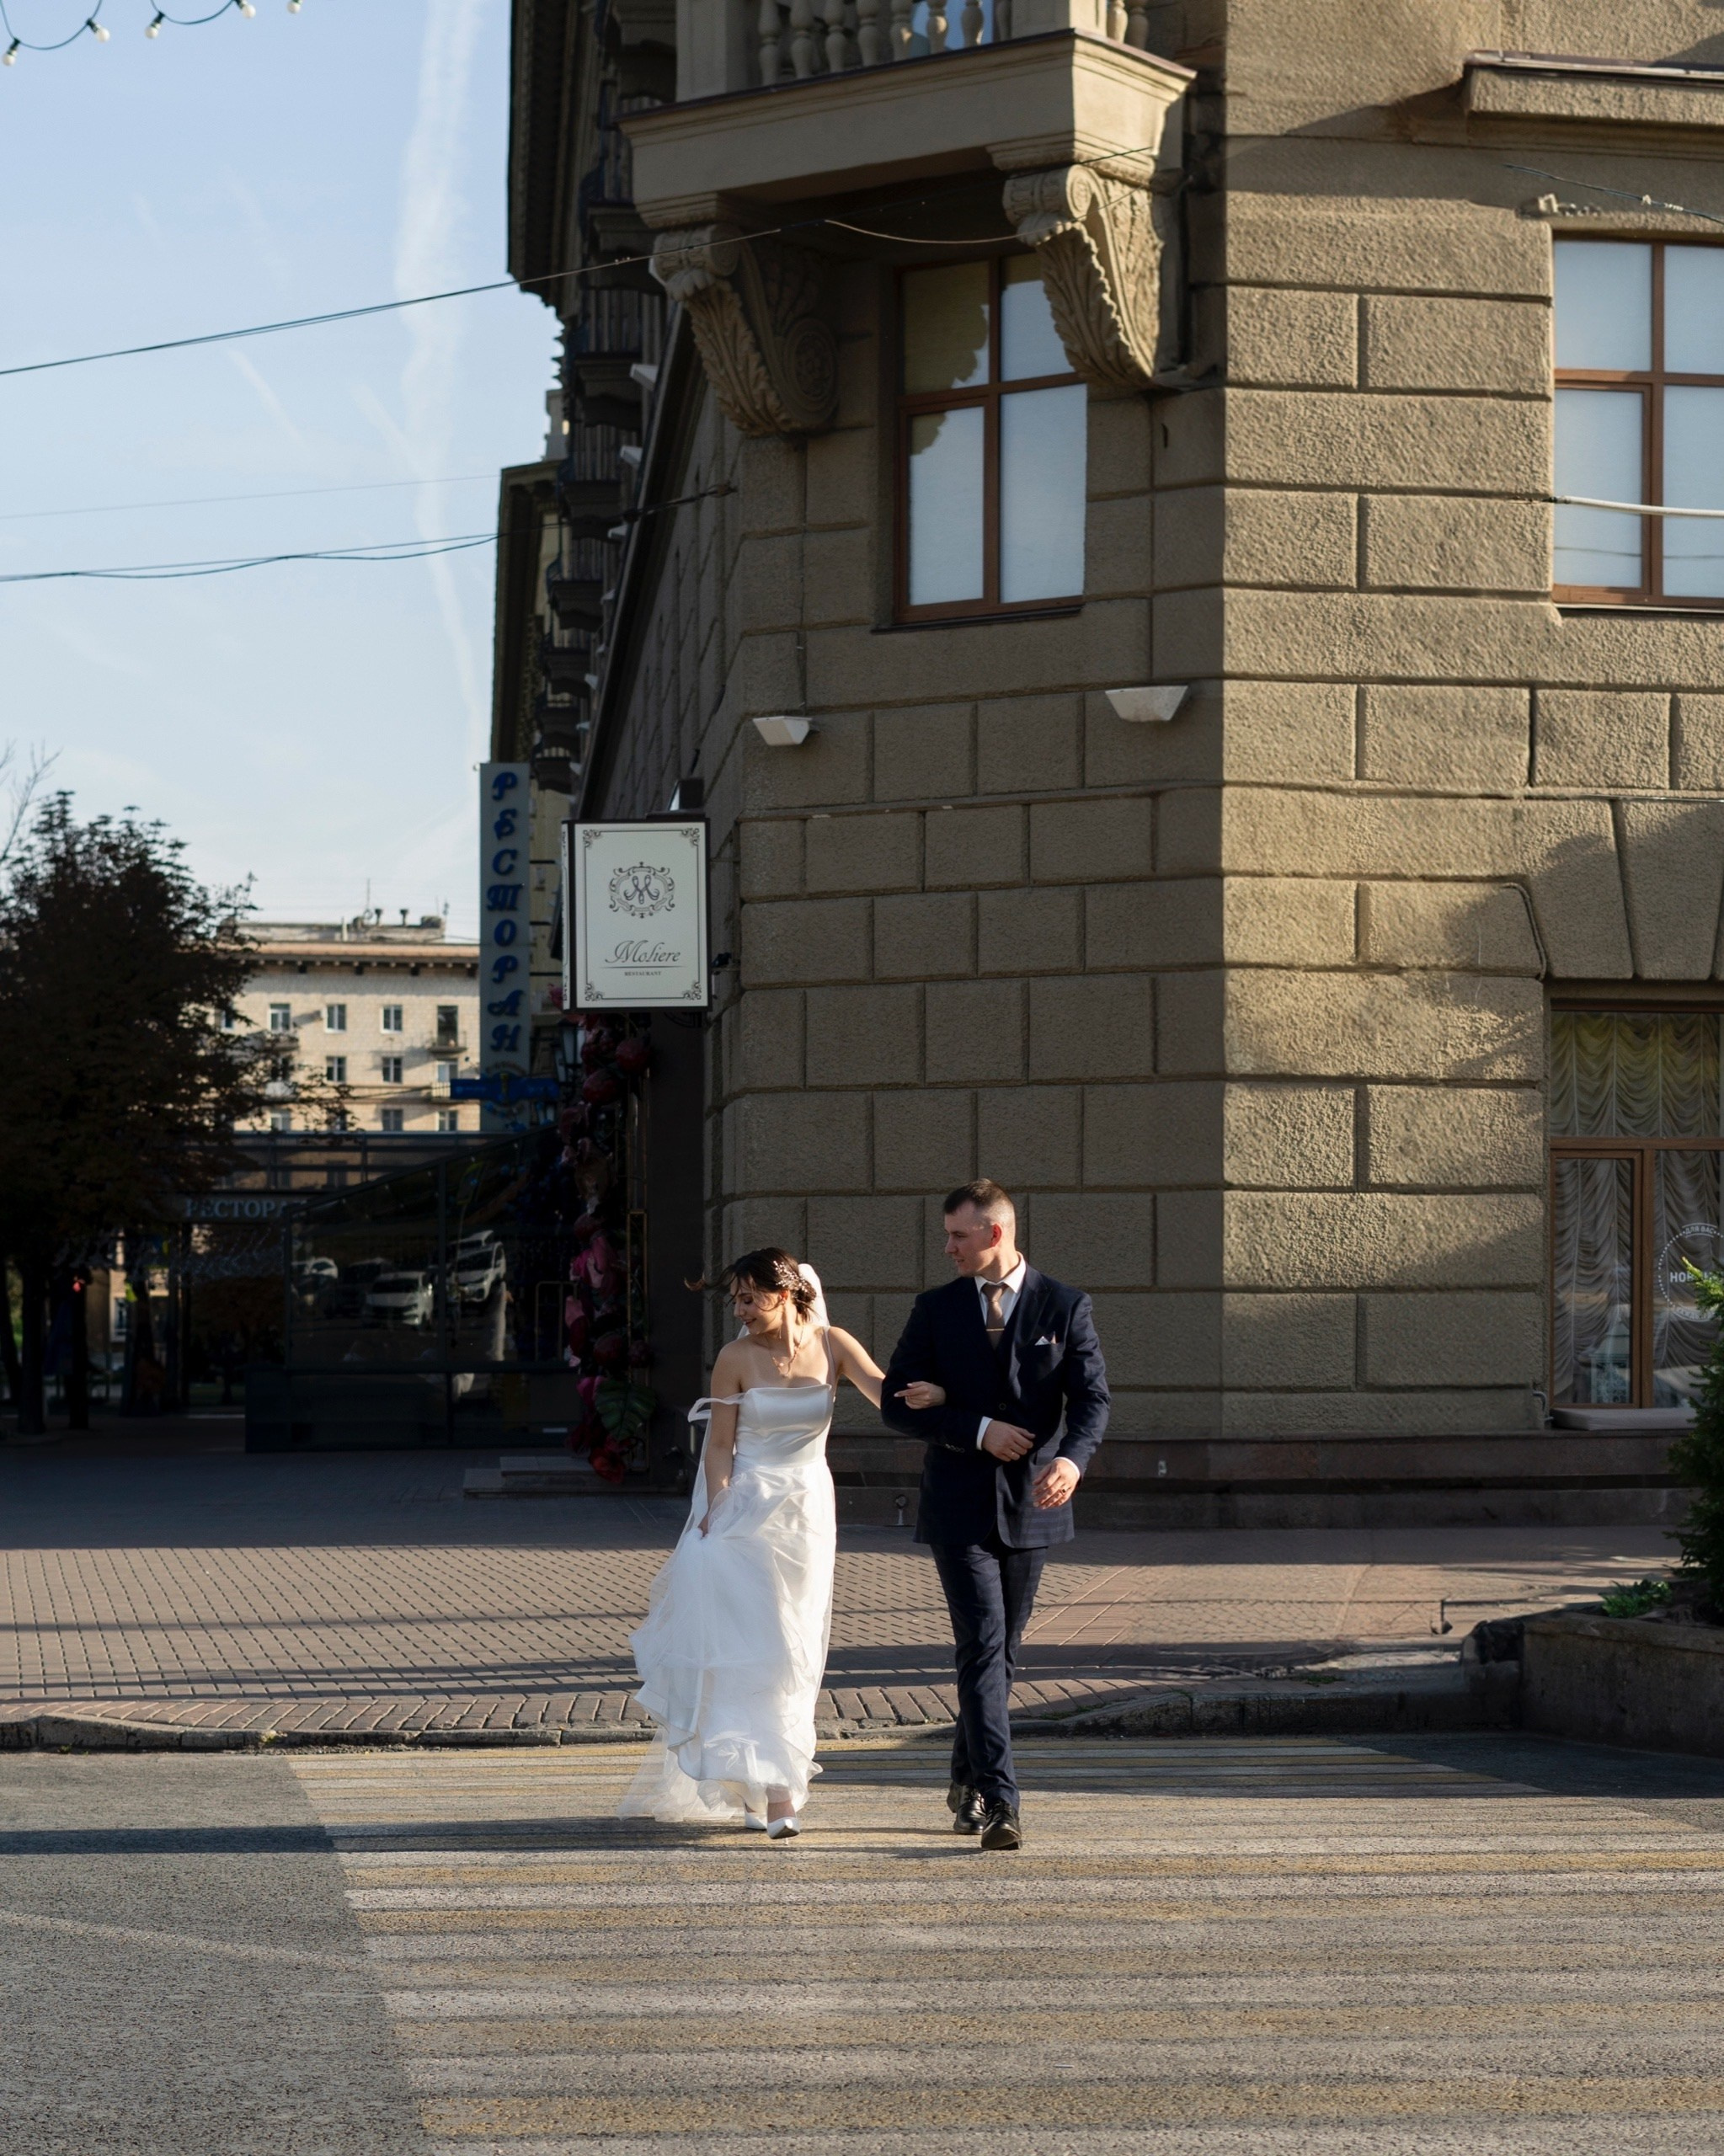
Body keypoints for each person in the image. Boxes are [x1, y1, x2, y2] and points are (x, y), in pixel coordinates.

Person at [622, 1246, 939, 1838]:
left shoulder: (834, 1345)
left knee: (796, 1647)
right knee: (756, 1647)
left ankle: (762, 1779)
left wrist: (942, 1397)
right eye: (735, 1298)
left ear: (787, 1292)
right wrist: (716, 1510)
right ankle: (775, 1794)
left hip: (808, 1512)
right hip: (747, 1511)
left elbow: (887, 1394)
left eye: (748, 1297)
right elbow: (719, 1445)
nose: (739, 1309)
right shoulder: (733, 1358)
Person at [882, 1179, 1109, 1851]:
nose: (946, 1246)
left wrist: (1071, 1461)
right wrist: (976, 1428)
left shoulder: (1063, 1305)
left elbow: (1091, 1401)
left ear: (995, 1233)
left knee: (1001, 1656)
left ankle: (964, 1778)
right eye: (947, 1234)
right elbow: (897, 1404)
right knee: (982, 1647)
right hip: (957, 1505)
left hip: (1032, 1505)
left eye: (958, 1235)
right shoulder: (935, 1309)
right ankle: (1000, 1800)